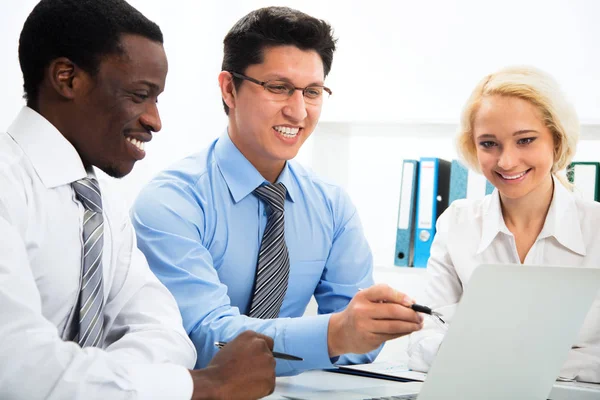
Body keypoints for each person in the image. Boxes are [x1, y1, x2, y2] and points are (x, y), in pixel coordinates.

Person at [0, 1, 276, 399]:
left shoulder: (101, 206)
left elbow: (167, 334)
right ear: (67, 78)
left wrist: (97, 385)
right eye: (139, 94)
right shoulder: (8, 189)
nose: (154, 120)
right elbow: (17, 369)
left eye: (157, 99)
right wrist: (203, 385)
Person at [131, 6, 423, 376]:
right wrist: (333, 335)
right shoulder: (172, 202)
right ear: (228, 89)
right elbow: (202, 338)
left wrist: (362, 329)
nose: (298, 112)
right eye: (279, 88)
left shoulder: (331, 206)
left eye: (313, 92)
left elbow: (358, 349)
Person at [407, 66, 600, 383]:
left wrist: (485, 356)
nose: (506, 161)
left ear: (556, 139)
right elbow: (423, 342)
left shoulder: (596, 228)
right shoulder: (457, 223)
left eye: (525, 140)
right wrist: (554, 361)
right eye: (488, 144)